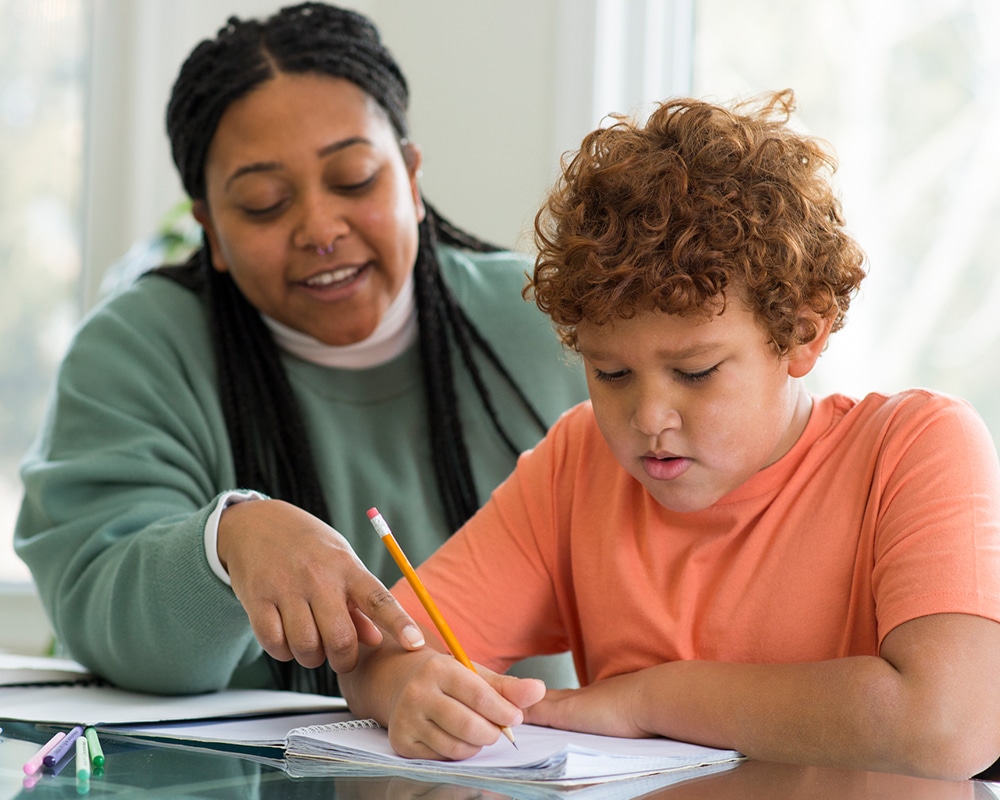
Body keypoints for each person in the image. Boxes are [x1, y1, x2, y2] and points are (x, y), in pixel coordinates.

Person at [338, 90, 1000, 780]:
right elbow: (381, 652)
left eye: (696, 371)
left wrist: (649, 699)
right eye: (612, 371)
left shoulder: (914, 447)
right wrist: (405, 686)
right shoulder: (580, 460)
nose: (649, 418)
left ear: (804, 332)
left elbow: (951, 725)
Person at [14, 2, 586, 696]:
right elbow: (103, 612)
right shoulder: (136, 351)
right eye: (262, 203)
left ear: (410, 177)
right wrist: (226, 544)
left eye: (353, 180)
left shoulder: (553, 317)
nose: (320, 228)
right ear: (211, 232)